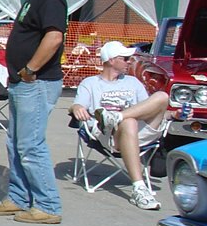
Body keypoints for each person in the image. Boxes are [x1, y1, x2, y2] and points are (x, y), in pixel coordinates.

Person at [0, 0, 68, 224]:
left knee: (31, 145)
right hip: (24, 83)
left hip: (36, 82)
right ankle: (19, 198)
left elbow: (54, 37)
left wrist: (30, 69)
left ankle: (47, 205)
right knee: (16, 143)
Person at [70, 41, 186, 210]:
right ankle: (139, 188)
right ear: (111, 60)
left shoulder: (133, 82)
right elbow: (76, 106)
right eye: (125, 58)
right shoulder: (90, 83)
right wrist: (77, 107)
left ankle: (116, 116)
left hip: (139, 131)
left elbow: (148, 110)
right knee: (129, 122)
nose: (130, 61)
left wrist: (174, 115)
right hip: (109, 134)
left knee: (161, 96)